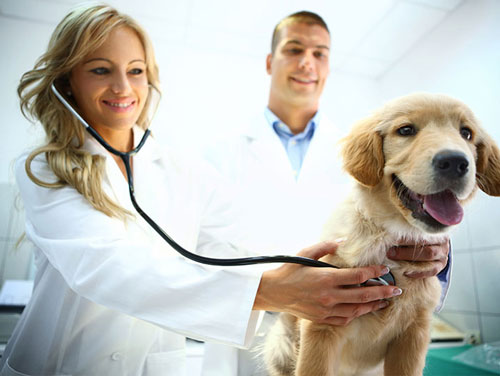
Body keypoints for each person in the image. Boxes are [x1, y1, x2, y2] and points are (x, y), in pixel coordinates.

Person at [0, 5, 401, 376]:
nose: (123, 87)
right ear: (68, 81)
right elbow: (105, 269)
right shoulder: (43, 169)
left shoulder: (182, 169)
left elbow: (242, 241)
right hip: (60, 363)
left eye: (136, 70)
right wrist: (273, 292)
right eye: (101, 70)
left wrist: (387, 254)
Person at [202, 11, 451, 376]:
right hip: (250, 335)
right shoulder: (219, 153)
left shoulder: (366, 149)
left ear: (329, 67)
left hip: (350, 346)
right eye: (294, 49)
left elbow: (407, 213)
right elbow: (203, 251)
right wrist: (277, 290)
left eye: (320, 53)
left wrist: (436, 248)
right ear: (271, 62)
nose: (307, 62)